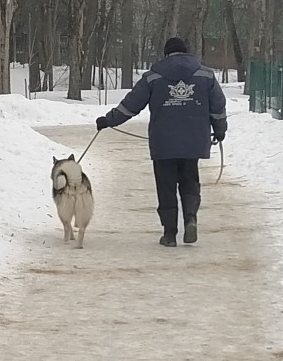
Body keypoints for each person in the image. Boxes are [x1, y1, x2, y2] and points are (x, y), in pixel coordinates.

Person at [96, 36, 227, 246]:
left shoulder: (153, 76)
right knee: (189, 181)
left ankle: (170, 234)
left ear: (166, 54)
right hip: (193, 140)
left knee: (166, 187)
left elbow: (131, 105)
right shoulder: (206, 74)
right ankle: (191, 217)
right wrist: (220, 130)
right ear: (186, 52)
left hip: (163, 143)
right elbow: (218, 106)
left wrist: (107, 121)